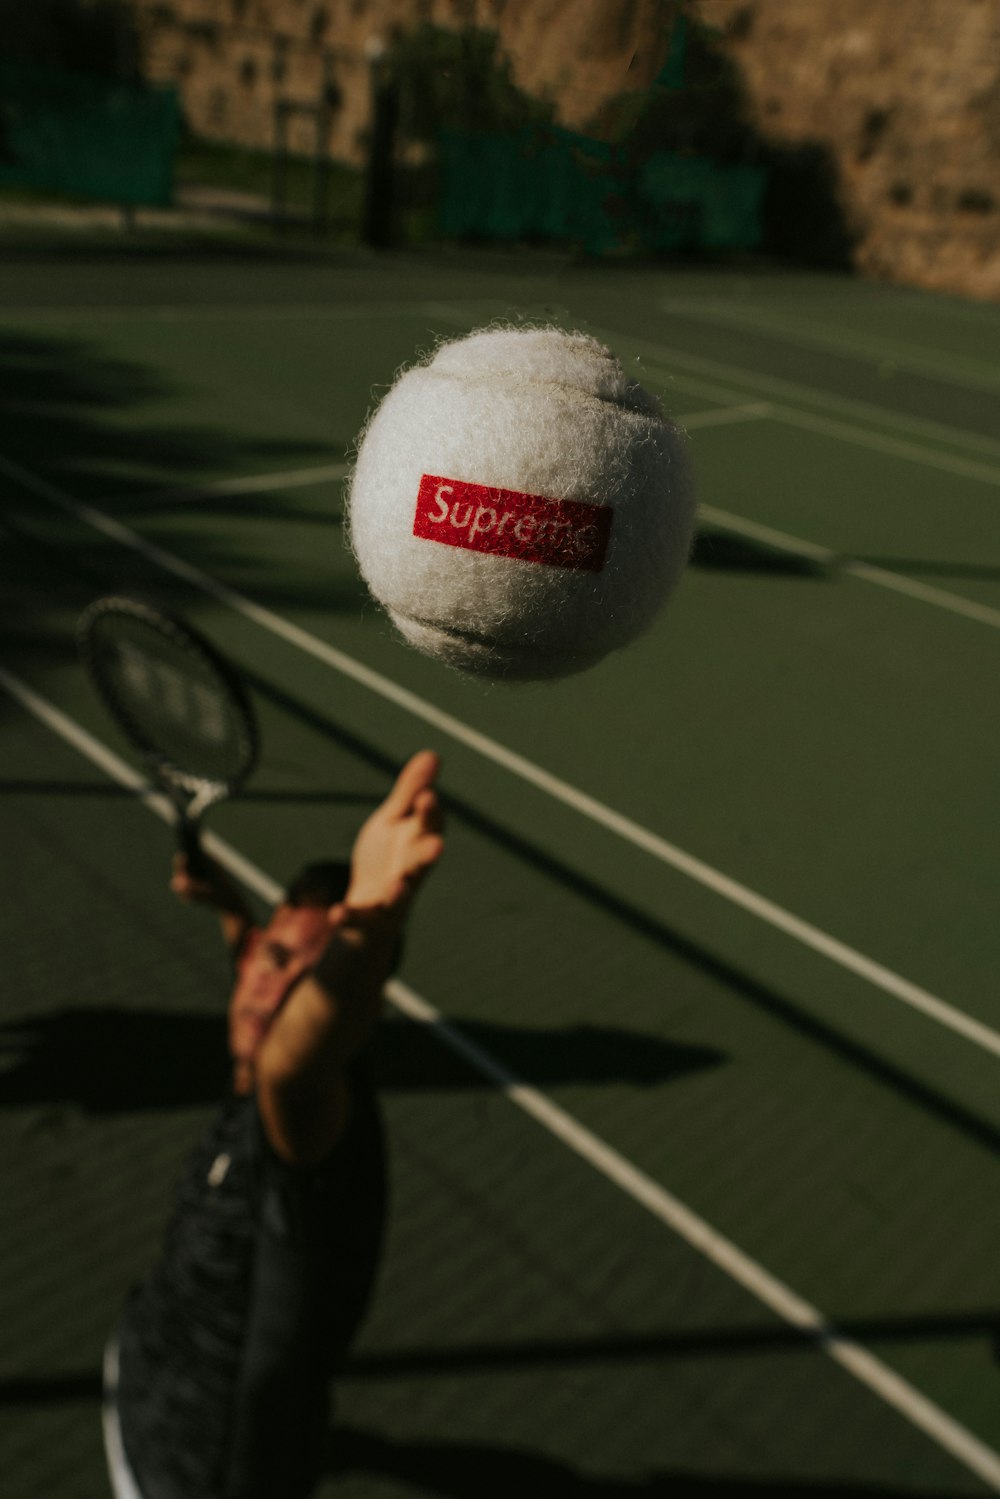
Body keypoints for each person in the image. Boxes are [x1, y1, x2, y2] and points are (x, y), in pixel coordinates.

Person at [103, 751, 445, 1499]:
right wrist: (231, 905)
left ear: (354, 1009)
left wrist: (372, 919)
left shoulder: (306, 1111)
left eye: (306, 980)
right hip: (150, 1361)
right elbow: (262, 981)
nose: (268, 982)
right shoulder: (265, 1020)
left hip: (192, 1467)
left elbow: (292, 1059)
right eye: (274, 953)